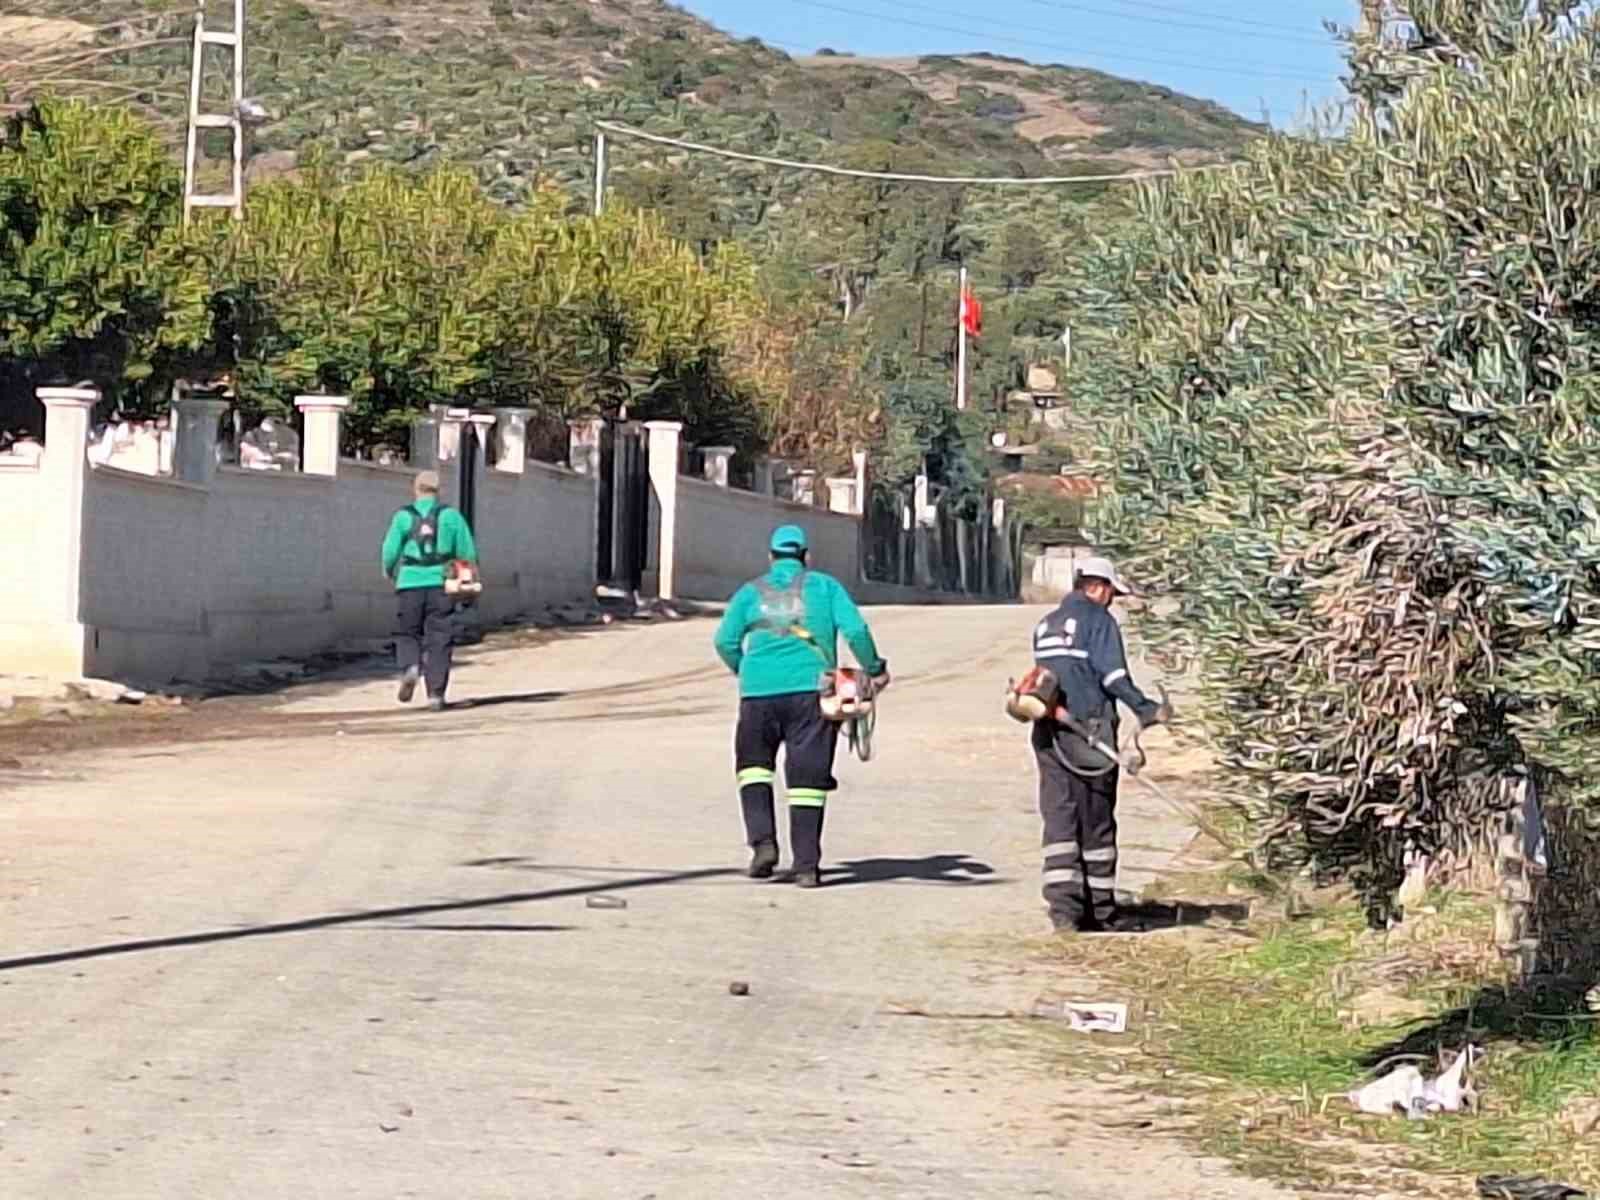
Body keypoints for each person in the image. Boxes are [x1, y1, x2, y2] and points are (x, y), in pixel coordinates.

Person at [713, 524, 889, 888]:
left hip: (757, 695)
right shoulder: (824, 587)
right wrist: (875, 669)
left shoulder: (750, 592)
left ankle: (763, 845)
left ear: (771, 557)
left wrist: (744, 670)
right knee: (807, 780)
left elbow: (725, 640)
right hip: (812, 694)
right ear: (806, 557)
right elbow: (855, 630)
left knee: (753, 769)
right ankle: (807, 866)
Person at [1030, 555, 1171, 934]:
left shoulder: (1047, 623)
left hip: (1047, 733)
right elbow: (1113, 676)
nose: (1112, 601)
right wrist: (1147, 709)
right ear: (1099, 587)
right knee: (1096, 822)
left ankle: (1064, 911)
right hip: (1089, 731)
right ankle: (1102, 913)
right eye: (1111, 593)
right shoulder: (1099, 621)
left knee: (1060, 815)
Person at [381, 471, 478, 712]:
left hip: (410, 582)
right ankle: (436, 693)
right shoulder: (451, 517)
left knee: (408, 632)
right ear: (438, 490)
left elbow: (390, 549)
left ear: (415, 489)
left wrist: (389, 571)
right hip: (441, 584)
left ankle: (410, 667)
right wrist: (468, 581)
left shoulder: (403, 517)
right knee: (440, 638)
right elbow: (467, 552)